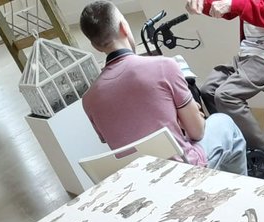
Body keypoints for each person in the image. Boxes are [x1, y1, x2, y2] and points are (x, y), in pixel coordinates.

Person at [79, 2, 247, 176]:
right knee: (224, 123)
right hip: (182, 171)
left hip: (137, 180)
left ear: (95, 46)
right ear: (124, 27)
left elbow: (123, 139)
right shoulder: (164, 66)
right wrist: (184, 117)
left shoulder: (89, 99)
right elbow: (197, 132)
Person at [187, 0, 264, 179]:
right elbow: (227, 8)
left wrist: (232, 5)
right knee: (208, 89)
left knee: (227, 95)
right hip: (249, 53)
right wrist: (203, 4)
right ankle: (239, 146)